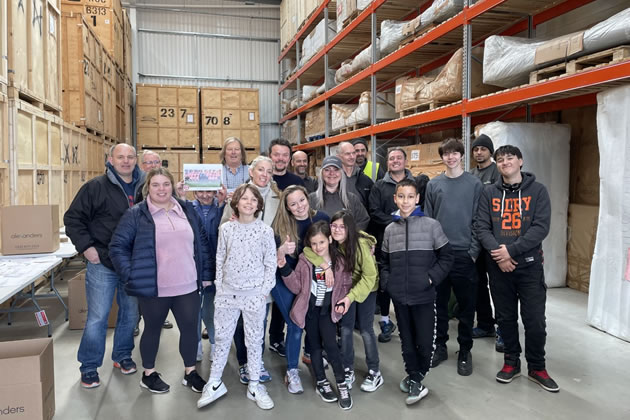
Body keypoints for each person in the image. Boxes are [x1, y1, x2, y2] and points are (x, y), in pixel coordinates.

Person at [109, 168, 210, 394]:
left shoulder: (186, 209)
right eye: (156, 184)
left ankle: (190, 372)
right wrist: (132, 275)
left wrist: (204, 275)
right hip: (155, 288)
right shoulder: (136, 214)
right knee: (152, 330)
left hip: (187, 284)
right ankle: (149, 374)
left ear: (172, 186)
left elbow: (201, 242)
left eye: (166, 184)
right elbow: (117, 247)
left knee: (189, 330)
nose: (161, 189)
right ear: (148, 187)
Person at [474, 145, 559, 393]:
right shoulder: (488, 193)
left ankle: (537, 366)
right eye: (500, 159)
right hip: (498, 268)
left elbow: (540, 228)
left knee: (534, 321)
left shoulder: (538, 191)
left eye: (510, 158)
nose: (504, 162)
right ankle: (511, 362)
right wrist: (500, 256)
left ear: (520, 161)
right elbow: (481, 227)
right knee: (506, 319)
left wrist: (511, 251)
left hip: (529, 267)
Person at [64, 144, 146, 388]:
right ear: (111, 159)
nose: (126, 161)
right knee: (97, 318)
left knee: (130, 315)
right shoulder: (95, 187)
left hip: (133, 264)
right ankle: (89, 366)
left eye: (130, 157)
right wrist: (87, 248)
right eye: (120, 157)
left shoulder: (145, 187)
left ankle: (122, 355)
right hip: (103, 262)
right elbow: (73, 219)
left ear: (136, 160)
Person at [197, 184, 277, 410]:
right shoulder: (226, 229)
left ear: (259, 204)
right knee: (222, 339)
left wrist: (263, 291)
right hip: (227, 294)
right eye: (244, 199)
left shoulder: (265, 231)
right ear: (236, 203)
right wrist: (220, 287)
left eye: (253, 199)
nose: (249, 203)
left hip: (254, 295)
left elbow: (270, 264)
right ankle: (214, 382)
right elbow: (220, 258)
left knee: (254, 340)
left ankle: (254, 384)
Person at [380, 179, 453, 405]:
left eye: (410, 196)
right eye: (401, 196)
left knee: (424, 340)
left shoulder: (432, 226)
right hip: (400, 297)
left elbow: (447, 257)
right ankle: (414, 377)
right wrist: (389, 283)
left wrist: (430, 278)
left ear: (418, 199)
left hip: (424, 295)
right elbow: (383, 261)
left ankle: (417, 375)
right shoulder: (390, 230)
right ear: (395, 198)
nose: (405, 201)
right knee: (407, 340)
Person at [278, 221, 354, 410]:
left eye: (321, 242)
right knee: (314, 348)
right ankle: (321, 381)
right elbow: (296, 286)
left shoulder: (339, 261)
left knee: (331, 346)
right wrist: (284, 268)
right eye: (314, 244)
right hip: (310, 311)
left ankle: (341, 383)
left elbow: (345, 285)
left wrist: (342, 304)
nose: (318, 247)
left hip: (327, 313)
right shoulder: (305, 260)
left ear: (329, 239)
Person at [424, 138, 483, 376]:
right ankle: (439, 346)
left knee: (467, 306)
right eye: (446, 154)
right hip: (440, 253)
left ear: (461, 155)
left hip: (464, 254)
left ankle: (465, 350)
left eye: (455, 153)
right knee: (438, 305)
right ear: (442, 157)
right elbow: (427, 219)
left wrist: (473, 252)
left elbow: (480, 220)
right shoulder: (433, 184)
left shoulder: (475, 184)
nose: (451, 157)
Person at [220, 155, 280, 383]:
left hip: (262, 269)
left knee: (259, 318)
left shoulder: (278, 198)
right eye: (260, 170)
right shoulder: (236, 198)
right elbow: (223, 229)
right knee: (240, 320)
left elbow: (282, 228)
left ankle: (257, 361)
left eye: (269, 171)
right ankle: (244, 363)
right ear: (251, 172)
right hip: (238, 272)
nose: (265, 174)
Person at [271, 185, 330, 393]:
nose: (299, 207)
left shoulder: (321, 218)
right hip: (283, 279)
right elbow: (269, 256)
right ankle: (292, 371)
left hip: (309, 280)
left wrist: (367, 243)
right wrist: (281, 250)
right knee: (296, 324)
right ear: (287, 208)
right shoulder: (280, 226)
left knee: (314, 320)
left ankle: (309, 353)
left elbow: (338, 240)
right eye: (293, 204)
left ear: (308, 198)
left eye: (302, 200)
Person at [318, 211, 383, 392]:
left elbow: (370, 275)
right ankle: (347, 368)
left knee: (365, 329)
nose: (337, 230)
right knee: (346, 328)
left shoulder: (361, 244)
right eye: (334, 226)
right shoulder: (333, 244)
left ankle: (375, 371)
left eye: (342, 226)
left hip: (367, 288)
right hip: (347, 288)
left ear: (350, 228)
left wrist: (350, 297)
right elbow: (310, 250)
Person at [368, 147, 415, 343]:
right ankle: (386, 321)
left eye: (398, 158)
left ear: (405, 161)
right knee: (386, 282)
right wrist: (396, 221)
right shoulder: (379, 186)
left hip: (412, 242)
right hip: (386, 242)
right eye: (391, 158)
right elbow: (374, 211)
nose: (395, 161)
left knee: (409, 280)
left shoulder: (416, 183)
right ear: (387, 163)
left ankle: (410, 321)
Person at [268, 138, 304, 354]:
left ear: (289, 159)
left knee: (284, 301)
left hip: (289, 250)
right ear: (270, 155)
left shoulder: (295, 181)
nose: (280, 158)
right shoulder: (263, 177)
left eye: (284, 155)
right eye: (276, 154)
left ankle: (275, 339)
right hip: (265, 248)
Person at [469, 134, 504, 350]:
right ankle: (485, 324)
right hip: (475, 238)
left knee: (499, 286)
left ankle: (503, 329)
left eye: (483, 148)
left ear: (490, 151)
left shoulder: (498, 173)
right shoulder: (471, 174)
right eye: (476, 149)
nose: (479, 152)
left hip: (495, 238)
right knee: (479, 284)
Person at [136, 150, 173, 330]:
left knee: (161, 287)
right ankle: (137, 321)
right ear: (142, 165)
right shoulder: (137, 189)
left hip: (165, 251)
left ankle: (160, 317)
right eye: (148, 162)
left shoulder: (169, 191)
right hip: (144, 249)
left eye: (155, 162)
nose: (151, 165)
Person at [192, 188, 227, 361]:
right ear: (193, 192)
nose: (205, 195)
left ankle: (215, 344)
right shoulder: (188, 208)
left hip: (217, 266)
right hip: (194, 267)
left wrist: (221, 205)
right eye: (200, 191)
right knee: (193, 310)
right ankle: (196, 343)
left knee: (212, 310)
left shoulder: (222, 207)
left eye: (209, 191)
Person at [308, 156, 369, 230]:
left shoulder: (352, 199)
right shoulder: (311, 199)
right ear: (321, 174)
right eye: (327, 170)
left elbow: (363, 220)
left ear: (341, 173)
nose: (332, 173)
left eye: (336, 169)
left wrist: (349, 235)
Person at [336, 142, 374, 209]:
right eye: (347, 154)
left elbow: (372, 206)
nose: (352, 156)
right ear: (338, 157)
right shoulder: (333, 179)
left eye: (353, 153)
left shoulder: (365, 180)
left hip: (361, 219)